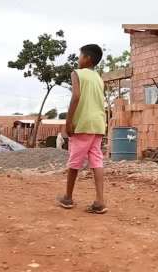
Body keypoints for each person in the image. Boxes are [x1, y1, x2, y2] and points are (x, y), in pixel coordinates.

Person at [57, 44, 107, 214]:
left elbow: (76, 96)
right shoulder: (98, 78)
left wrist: (68, 121)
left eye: (80, 56)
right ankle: (100, 201)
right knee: (97, 161)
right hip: (98, 124)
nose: (78, 59)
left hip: (83, 124)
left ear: (87, 58)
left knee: (75, 161)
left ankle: (68, 198)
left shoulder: (76, 73)